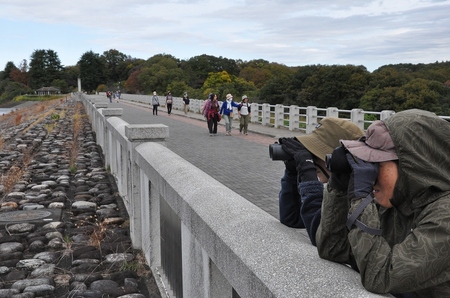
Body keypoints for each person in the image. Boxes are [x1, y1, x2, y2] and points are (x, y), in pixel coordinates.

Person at [316, 109, 450, 296]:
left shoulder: (445, 217)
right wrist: (339, 186)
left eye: (376, 164)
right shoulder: (399, 203)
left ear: (411, 166)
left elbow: (380, 277)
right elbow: (333, 249)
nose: (371, 176)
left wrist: (360, 199)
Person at [278, 117, 364, 246]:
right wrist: (292, 172)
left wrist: (309, 177)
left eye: (315, 154)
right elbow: (292, 218)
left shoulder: (364, 195)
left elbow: (326, 240)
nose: (312, 159)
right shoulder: (340, 188)